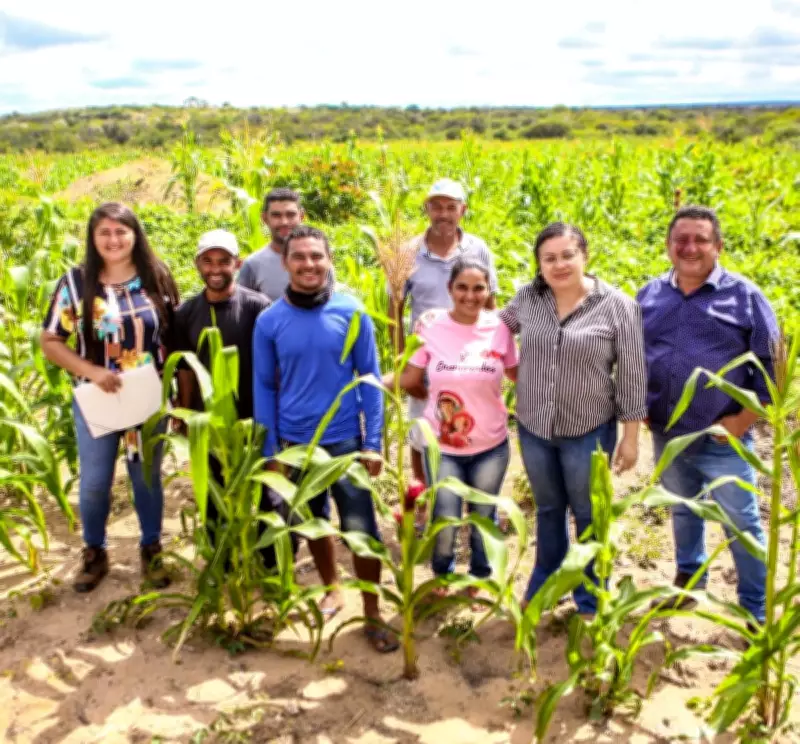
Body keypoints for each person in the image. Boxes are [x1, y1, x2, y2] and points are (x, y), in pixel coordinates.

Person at [253, 225, 398, 652]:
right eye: (299, 257)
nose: (309, 264)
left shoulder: (351, 311)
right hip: (296, 444)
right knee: (312, 522)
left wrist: (372, 442)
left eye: (317, 256)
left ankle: (373, 613)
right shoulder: (270, 321)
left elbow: (369, 381)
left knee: (361, 528)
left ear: (328, 259)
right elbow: (265, 387)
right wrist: (269, 450)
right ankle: (333, 589)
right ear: (285, 263)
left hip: (344, 442)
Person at [499, 222, 647, 617]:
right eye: (549, 258)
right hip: (534, 426)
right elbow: (490, 334)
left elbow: (632, 375)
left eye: (568, 255)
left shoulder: (618, 306)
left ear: (585, 256)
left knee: (588, 513)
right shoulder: (527, 300)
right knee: (548, 509)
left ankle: (589, 594)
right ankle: (547, 577)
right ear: (539, 264)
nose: (559, 264)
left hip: (588, 429)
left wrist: (630, 438)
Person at [637, 205, 776, 623]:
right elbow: (635, 355)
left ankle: (756, 609)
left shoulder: (745, 296)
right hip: (668, 432)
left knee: (742, 525)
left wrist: (741, 422)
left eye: (700, 239)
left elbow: (773, 365)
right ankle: (691, 583)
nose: (690, 247)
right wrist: (643, 404)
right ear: (668, 247)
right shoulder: (650, 294)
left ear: (718, 246)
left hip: (724, 436)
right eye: (681, 239)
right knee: (684, 509)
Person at [40, 202, 179, 593]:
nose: (113, 240)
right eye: (104, 233)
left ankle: (151, 549)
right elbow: (51, 341)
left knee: (146, 478)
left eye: (121, 231)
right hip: (96, 400)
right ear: (93, 238)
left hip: (146, 403)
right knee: (95, 482)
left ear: (135, 235)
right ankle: (95, 552)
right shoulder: (76, 282)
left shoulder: (157, 276)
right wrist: (94, 372)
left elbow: (172, 335)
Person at [396, 258, 518, 603]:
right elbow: (409, 377)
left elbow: (518, 374)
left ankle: (481, 575)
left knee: (483, 515)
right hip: (442, 448)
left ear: (489, 290)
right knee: (445, 514)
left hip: (491, 445)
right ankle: (442, 573)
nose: (470, 295)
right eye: (462, 287)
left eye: (478, 287)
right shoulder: (430, 327)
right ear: (450, 289)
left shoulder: (500, 328)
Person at [167, 229, 288, 567]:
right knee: (214, 492)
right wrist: (186, 413)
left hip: (256, 416)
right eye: (208, 261)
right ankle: (223, 562)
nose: (215, 268)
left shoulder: (258, 306)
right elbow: (185, 369)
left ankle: (269, 560)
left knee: (269, 490)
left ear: (237, 263)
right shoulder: (185, 313)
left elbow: (274, 364)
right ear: (198, 265)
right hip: (211, 422)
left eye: (223, 261)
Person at [389, 178, 499, 490]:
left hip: (470, 355)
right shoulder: (408, 252)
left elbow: (491, 304)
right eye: (437, 206)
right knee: (421, 424)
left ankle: (468, 493)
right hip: (424, 356)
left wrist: (494, 354)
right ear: (426, 209)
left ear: (462, 210)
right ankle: (422, 491)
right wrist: (403, 363)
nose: (444, 214)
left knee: (469, 421)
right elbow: (394, 312)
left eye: (451, 207)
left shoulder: (479, 249)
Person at [238, 187, 334, 301]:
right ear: (265, 218)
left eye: (290, 215)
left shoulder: (317, 263)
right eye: (276, 215)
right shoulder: (253, 265)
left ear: (301, 216)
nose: (284, 222)